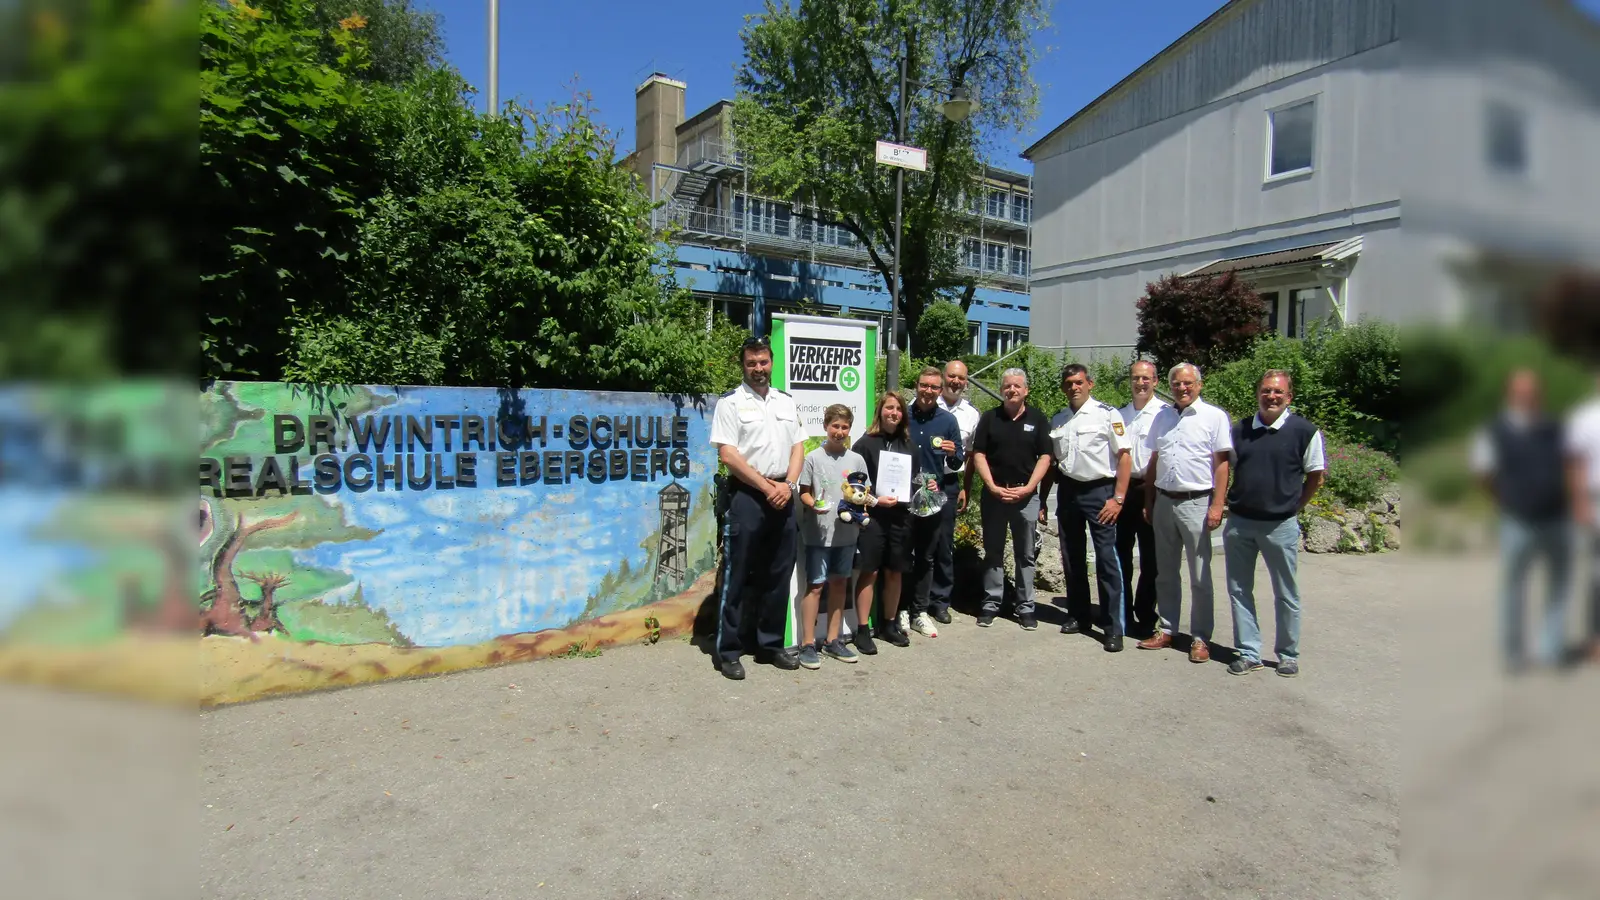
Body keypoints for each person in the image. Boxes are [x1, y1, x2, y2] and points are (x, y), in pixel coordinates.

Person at [708, 337, 807, 680]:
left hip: (782, 491)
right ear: (743, 365)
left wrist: (789, 486)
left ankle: (769, 645)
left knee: (778, 574)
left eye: (763, 362)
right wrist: (767, 487)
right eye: (752, 363)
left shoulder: (785, 401)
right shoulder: (731, 403)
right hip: (748, 496)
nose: (758, 369)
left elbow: (798, 446)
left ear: (771, 362)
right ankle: (729, 650)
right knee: (737, 574)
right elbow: (728, 454)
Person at [1223, 371, 1325, 677]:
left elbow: (1316, 476)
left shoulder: (1305, 431)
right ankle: (1249, 651)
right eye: (1266, 391)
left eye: (1278, 392)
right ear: (1258, 394)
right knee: (1239, 590)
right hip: (1241, 523)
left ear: (1289, 397)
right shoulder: (1240, 430)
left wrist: (1295, 506)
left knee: (1286, 592)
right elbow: (1225, 468)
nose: (1271, 396)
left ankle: (1287, 654)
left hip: (1280, 525)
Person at [1473, 368, 1575, 671]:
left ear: (1539, 394)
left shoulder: (1554, 427)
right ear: (1511, 394)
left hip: (1557, 517)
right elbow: (1482, 471)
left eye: (1532, 391)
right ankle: (1514, 654)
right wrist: (1503, 499)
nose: (1528, 396)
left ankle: (1550, 648)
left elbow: (1571, 465)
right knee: (1513, 588)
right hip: (1518, 521)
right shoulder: (1494, 430)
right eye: (1521, 391)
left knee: (1559, 584)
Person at [1137, 362, 1231, 664]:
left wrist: (1217, 505)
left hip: (1197, 502)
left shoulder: (1214, 417)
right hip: (1164, 500)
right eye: (1177, 383)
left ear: (1199, 385)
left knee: (1200, 574)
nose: (1182, 388)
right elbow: (1154, 460)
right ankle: (1167, 629)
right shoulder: (1162, 416)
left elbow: (1221, 464)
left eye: (1188, 383)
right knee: (1165, 572)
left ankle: (1201, 637)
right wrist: (1149, 500)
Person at [1039, 364, 1134, 651]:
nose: (1074, 388)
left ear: (1090, 384)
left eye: (1079, 382)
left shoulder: (1107, 414)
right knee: (1072, 557)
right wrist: (1043, 498)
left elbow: (1125, 457)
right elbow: (1053, 466)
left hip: (1100, 491)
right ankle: (1079, 615)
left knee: (1106, 559)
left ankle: (1112, 626)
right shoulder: (1059, 419)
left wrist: (1118, 498)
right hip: (1068, 491)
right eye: (1068, 383)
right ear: (1063, 388)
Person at [970, 368, 1053, 629]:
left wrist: (1029, 487)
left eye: (1017, 386)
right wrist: (991, 486)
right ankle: (991, 603)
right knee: (993, 552)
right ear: (1001, 389)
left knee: (1025, 554)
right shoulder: (989, 418)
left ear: (1026, 390)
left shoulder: (1038, 420)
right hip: (994, 495)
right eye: (1007, 386)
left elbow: (1046, 457)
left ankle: (1025, 607)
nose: (1012, 390)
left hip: (1025, 496)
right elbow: (979, 454)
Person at [796, 404, 867, 669]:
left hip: (847, 535)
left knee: (839, 585)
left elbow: (862, 495)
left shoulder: (857, 460)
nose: (839, 432)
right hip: (819, 534)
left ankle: (834, 640)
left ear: (850, 429)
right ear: (826, 426)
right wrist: (812, 503)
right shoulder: (813, 457)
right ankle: (807, 644)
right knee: (815, 586)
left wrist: (868, 506)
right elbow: (803, 492)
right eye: (835, 426)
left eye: (844, 427)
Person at [851, 392, 917, 650]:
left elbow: (915, 481)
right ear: (880, 411)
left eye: (898, 409)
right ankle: (862, 629)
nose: (894, 413)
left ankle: (888, 625)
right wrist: (874, 500)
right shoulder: (865, 444)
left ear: (903, 415)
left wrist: (927, 484)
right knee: (870, 571)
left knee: (894, 571)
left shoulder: (909, 446)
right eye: (889, 408)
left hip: (901, 518)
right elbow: (854, 486)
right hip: (873, 517)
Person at [905, 367, 965, 637]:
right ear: (916, 386)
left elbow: (957, 461)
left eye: (933, 387)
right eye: (923, 385)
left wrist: (953, 454)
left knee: (927, 556)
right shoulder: (902, 416)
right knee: (902, 555)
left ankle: (921, 610)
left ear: (940, 391)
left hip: (931, 496)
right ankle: (901, 609)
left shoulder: (947, 421)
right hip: (903, 496)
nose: (927, 391)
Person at [1117, 360, 1167, 638]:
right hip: (1124, 489)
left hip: (1152, 490)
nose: (1141, 383)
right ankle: (1122, 611)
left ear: (1155, 381)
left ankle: (1145, 611)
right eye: (1136, 378)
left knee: (1151, 558)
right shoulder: (1120, 414)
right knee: (1121, 553)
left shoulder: (1165, 414)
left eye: (1146, 378)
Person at [937, 359, 983, 616]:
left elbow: (970, 456)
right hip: (921, 482)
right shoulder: (923, 403)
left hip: (950, 482)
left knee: (945, 543)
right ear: (944, 377)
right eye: (952, 376)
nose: (955, 381)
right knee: (919, 542)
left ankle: (941, 601)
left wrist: (965, 488)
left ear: (966, 381)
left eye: (961, 378)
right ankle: (914, 600)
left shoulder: (972, 414)